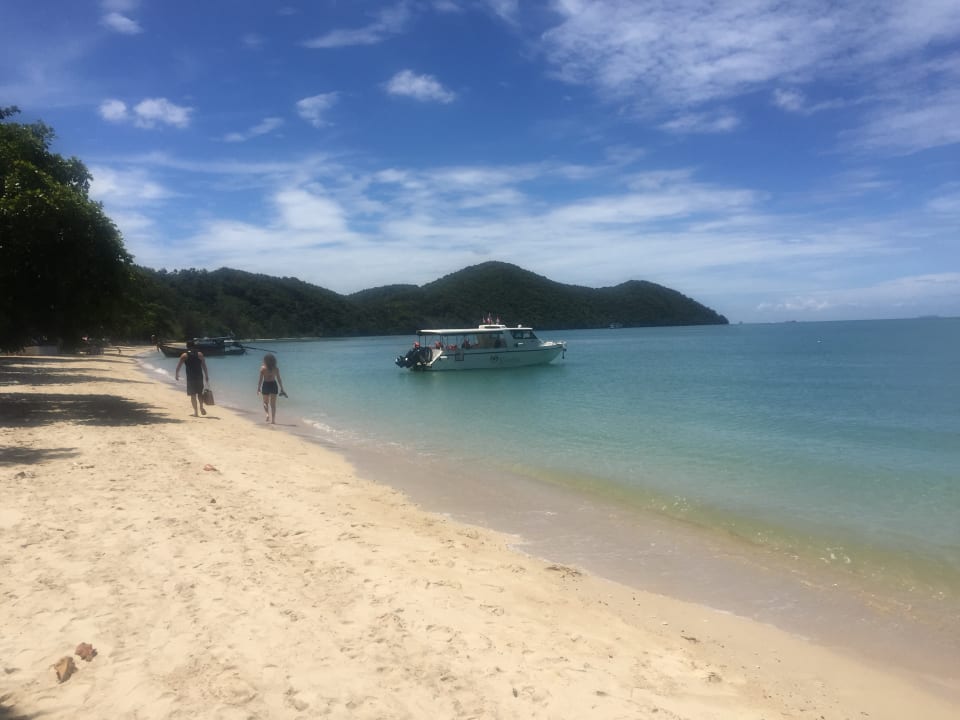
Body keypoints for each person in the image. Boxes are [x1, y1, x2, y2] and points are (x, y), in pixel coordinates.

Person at [174, 341, 210, 417]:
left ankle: (196, 412)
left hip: (191, 378)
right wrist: (206, 376)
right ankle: (201, 407)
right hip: (199, 376)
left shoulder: (184, 355)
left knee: (193, 395)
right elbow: (204, 366)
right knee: (200, 393)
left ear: (187, 346)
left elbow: (179, 366)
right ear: (194, 346)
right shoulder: (200, 354)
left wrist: (177, 374)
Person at [257, 353, 286, 424]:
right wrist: (282, 388)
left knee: (265, 402)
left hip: (266, 385)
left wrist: (258, 388)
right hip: (273, 385)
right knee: (273, 405)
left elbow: (260, 380)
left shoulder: (263, 368)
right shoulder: (276, 369)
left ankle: (267, 414)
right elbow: (279, 379)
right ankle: (273, 420)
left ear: (265, 361)